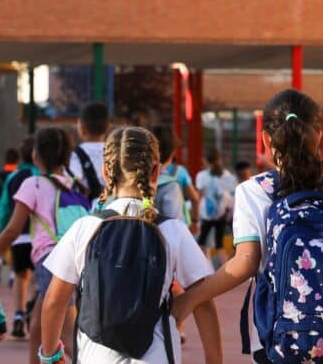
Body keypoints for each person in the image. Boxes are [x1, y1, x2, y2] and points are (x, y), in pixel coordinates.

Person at [172, 89, 323, 363]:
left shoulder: (253, 191)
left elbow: (245, 263)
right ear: (318, 135)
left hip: (280, 334)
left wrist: (190, 300)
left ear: (265, 139)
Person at [39, 126, 222, 364]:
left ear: (106, 172)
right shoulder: (172, 230)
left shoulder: (84, 228)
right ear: (156, 171)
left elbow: (54, 300)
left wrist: (50, 354)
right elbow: (203, 301)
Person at [0, 127, 89, 364]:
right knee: (38, 325)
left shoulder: (33, 184)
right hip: (77, 259)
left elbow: (13, 229)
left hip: (52, 262)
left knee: (65, 335)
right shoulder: (74, 184)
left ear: (36, 155)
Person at [0, 136, 39, 338]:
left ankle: (18, 314)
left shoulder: (14, 177)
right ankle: (34, 308)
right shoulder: (45, 176)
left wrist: (5, 230)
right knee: (37, 279)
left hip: (19, 236)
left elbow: (5, 207)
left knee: (21, 276)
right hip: (41, 238)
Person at [151, 126, 199, 234]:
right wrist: (195, 221)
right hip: (174, 231)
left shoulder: (142, 173)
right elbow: (195, 198)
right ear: (173, 151)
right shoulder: (179, 172)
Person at [195, 149, 236, 261]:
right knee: (219, 245)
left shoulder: (202, 176)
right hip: (222, 214)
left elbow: (198, 196)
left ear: (205, 161)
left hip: (206, 214)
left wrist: (195, 215)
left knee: (202, 242)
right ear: (219, 159)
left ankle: (204, 268)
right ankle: (227, 269)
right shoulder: (227, 175)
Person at [68, 101, 110, 203]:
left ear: (81, 128)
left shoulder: (76, 154)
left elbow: (72, 181)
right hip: (113, 208)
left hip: (87, 210)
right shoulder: (114, 151)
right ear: (108, 127)